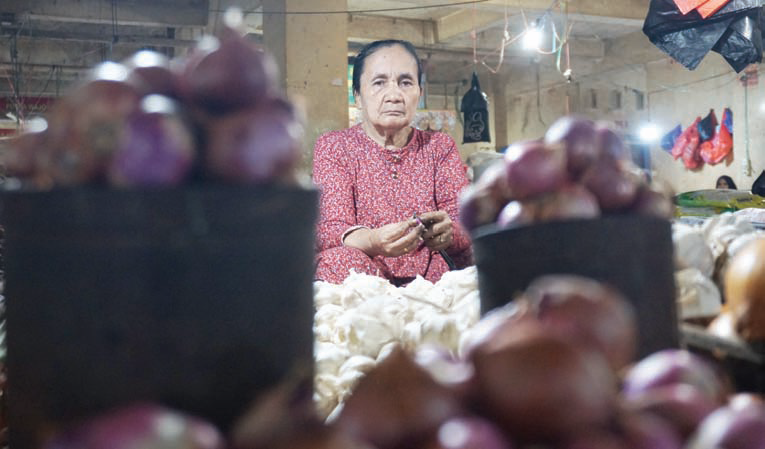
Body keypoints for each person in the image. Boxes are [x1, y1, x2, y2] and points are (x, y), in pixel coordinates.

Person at [313, 39, 472, 285]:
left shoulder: (439, 147)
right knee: (337, 261)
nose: (394, 95)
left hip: (432, 279)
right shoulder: (335, 147)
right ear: (358, 95)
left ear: (418, 93)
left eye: (406, 82)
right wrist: (374, 242)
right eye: (379, 83)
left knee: (494, 255)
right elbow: (330, 230)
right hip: (367, 274)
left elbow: (466, 222)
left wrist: (448, 232)